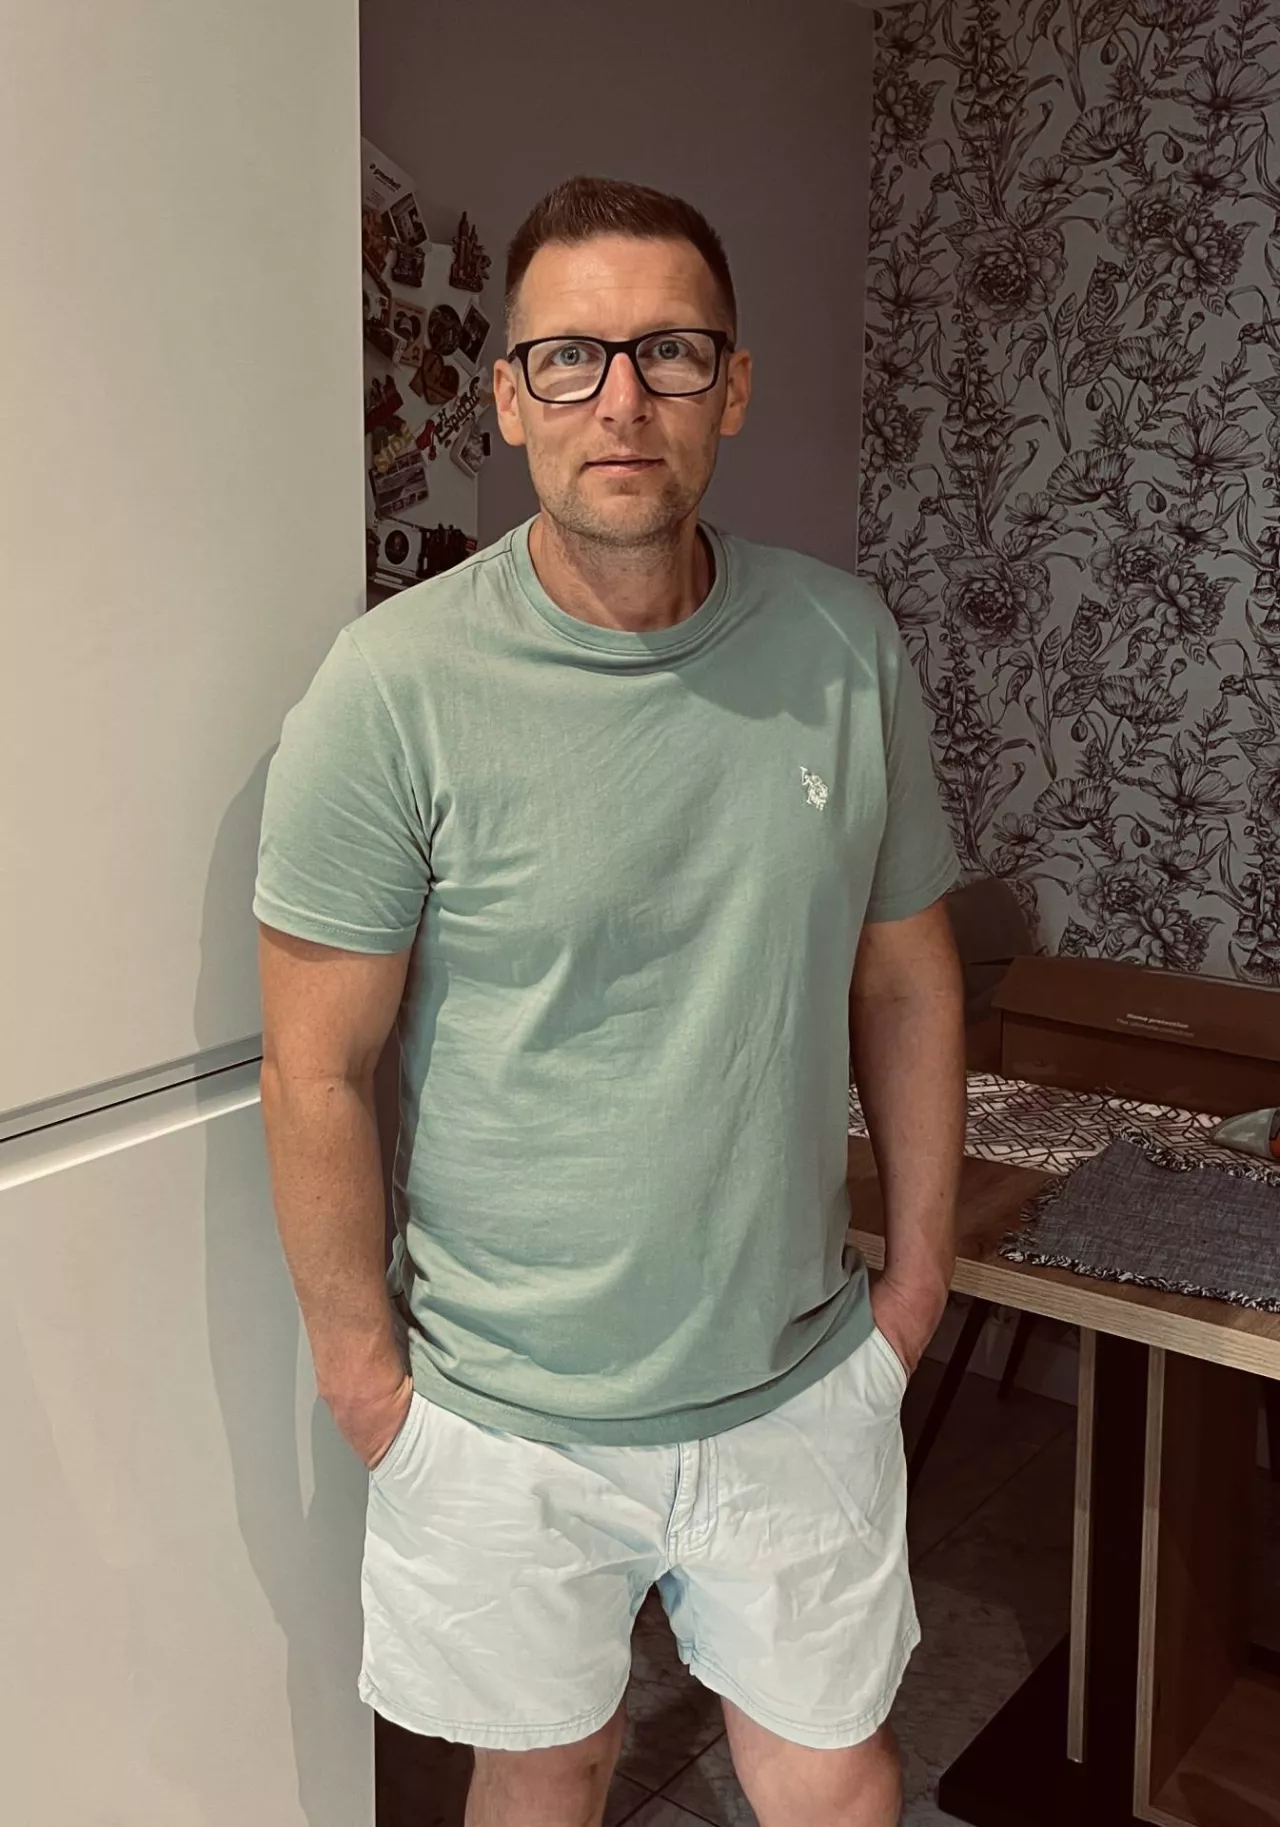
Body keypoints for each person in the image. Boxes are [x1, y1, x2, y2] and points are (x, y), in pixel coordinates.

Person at [255, 174, 964, 1827]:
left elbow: (907, 977)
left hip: (797, 1372)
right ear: (508, 398)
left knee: (835, 1772)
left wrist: (919, 1288)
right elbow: (314, 1069)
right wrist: (368, 1383)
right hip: (500, 1411)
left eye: (670, 351)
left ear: (735, 385)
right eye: (569, 357)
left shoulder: (844, 649)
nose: (621, 399)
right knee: (544, 1768)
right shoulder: (392, 689)